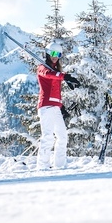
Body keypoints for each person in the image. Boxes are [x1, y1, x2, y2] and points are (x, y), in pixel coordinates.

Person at [36, 41, 80, 169]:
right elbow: (47, 74)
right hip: (46, 106)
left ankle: (60, 166)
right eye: (53, 53)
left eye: (58, 54)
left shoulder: (57, 71)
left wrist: (61, 107)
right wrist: (65, 77)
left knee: (62, 137)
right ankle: (42, 166)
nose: (55, 56)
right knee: (48, 136)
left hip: (55, 107)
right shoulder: (42, 67)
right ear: (48, 53)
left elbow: (56, 92)